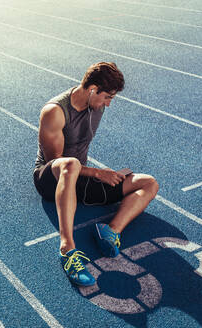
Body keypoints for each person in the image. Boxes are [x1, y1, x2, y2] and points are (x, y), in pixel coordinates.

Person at [33, 62, 159, 286]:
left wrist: (99, 175)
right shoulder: (55, 112)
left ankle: (110, 231)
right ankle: (67, 249)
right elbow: (57, 162)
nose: (108, 104)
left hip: (81, 176)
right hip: (51, 179)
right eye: (107, 97)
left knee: (148, 183)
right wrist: (98, 174)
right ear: (92, 90)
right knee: (70, 165)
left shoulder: (96, 106)